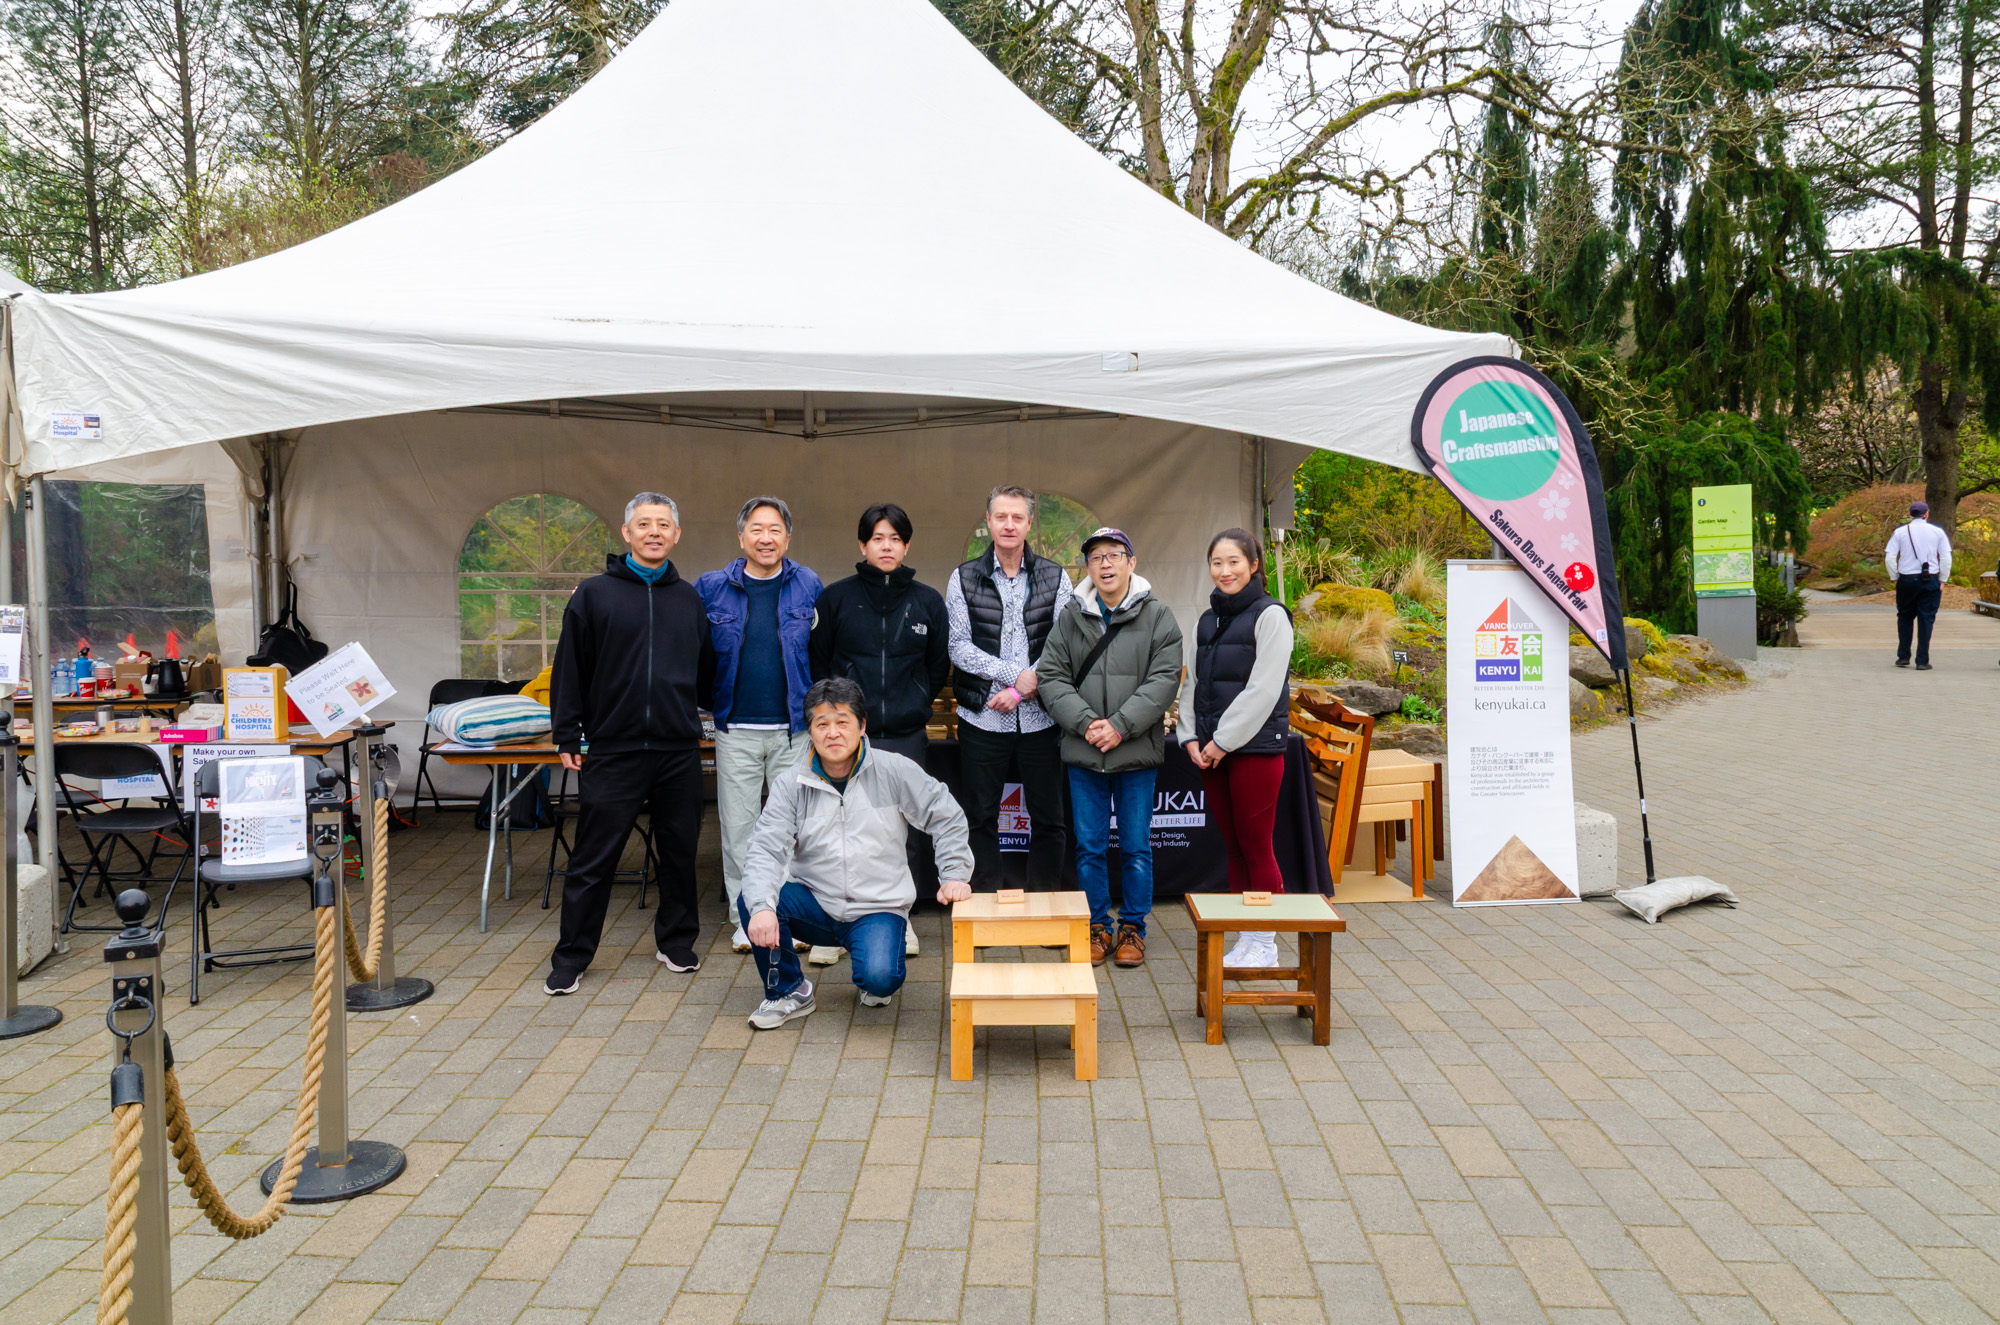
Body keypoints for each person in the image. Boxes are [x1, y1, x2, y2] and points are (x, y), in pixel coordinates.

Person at [546, 492, 716, 995]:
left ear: (676, 534)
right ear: (626, 533)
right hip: (613, 749)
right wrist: (566, 730)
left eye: (663, 524)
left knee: (680, 852)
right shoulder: (593, 595)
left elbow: (706, 672)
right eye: (644, 523)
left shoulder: (688, 599)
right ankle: (572, 957)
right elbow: (570, 668)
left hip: (677, 750)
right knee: (593, 859)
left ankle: (676, 941)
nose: (654, 532)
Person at [737, 677, 973, 1029]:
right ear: (810, 731)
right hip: (818, 903)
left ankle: (875, 958)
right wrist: (761, 907)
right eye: (822, 724)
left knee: (879, 980)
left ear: (862, 726)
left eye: (842, 722)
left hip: (877, 906)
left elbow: (945, 814)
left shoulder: (894, 769)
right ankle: (789, 990)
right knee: (753, 900)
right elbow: (765, 850)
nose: (833, 733)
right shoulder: (791, 784)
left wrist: (953, 873)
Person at [808, 502, 951, 957]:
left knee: (902, 832)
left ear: (906, 546)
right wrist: (840, 719)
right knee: (839, 831)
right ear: (862, 545)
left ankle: (898, 921)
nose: (885, 547)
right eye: (877, 538)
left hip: (906, 733)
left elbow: (936, 665)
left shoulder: (927, 601)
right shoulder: (835, 599)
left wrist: (915, 701)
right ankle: (832, 928)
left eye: (894, 539)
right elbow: (820, 663)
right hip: (850, 737)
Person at [1038, 527, 1182, 968]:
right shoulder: (1070, 617)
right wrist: (1086, 724)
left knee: (1136, 847)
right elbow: (1051, 676)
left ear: (1131, 563)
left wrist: (1119, 726)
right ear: (1087, 567)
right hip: (1085, 753)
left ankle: (1133, 928)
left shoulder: (1158, 617)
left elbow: (1164, 679)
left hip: (1134, 752)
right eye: (1096, 556)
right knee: (1089, 848)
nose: (1104, 564)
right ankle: (1097, 927)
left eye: (1114, 555)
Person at [696, 497, 824, 952]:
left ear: (787, 538)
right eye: (756, 529)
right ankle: (746, 919)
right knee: (739, 830)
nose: (765, 538)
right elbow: (693, 649)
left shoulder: (808, 583)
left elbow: (820, 652)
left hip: (794, 730)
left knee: (793, 830)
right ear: (741, 537)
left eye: (774, 530)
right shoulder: (711, 587)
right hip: (735, 729)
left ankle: (787, 917)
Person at [946, 484, 1073, 889]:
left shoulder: (1055, 576)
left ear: (1029, 523)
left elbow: (1065, 642)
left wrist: (1025, 686)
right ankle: (986, 900)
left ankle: (1044, 901)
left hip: (1042, 718)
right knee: (980, 816)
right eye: (1001, 516)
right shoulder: (963, 577)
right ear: (988, 521)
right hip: (982, 716)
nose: (1009, 524)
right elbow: (958, 646)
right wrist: (1011, 675)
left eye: (1017, 517)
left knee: (1049, 819)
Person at [1180, 528, 1295, 970]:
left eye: (1234, 562)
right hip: (1212, 751)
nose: (1224, 571)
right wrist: (1191, 736)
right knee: (1233, 847)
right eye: (1217, 562)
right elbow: (1193, 683)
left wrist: (1222, 742)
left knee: (1257, 847)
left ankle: (1265, 942)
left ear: (1254, 565)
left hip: (1255, 751)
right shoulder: (1206, 620)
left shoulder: (1271, 616)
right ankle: (1247, 935)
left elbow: (1263, 690)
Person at [1885, 499, 1951, 671]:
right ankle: (1922, 660)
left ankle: (1903, 656)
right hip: (1930, 579)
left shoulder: (1900, 532)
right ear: (1926, 514)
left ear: (1910, 515)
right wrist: (1943, 579)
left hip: (1906, 579)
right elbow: (1946, 557)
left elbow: (1890, 557)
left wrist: (1894, 577)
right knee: (1926, 618)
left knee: (1905, 617)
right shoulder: (1937, 532)